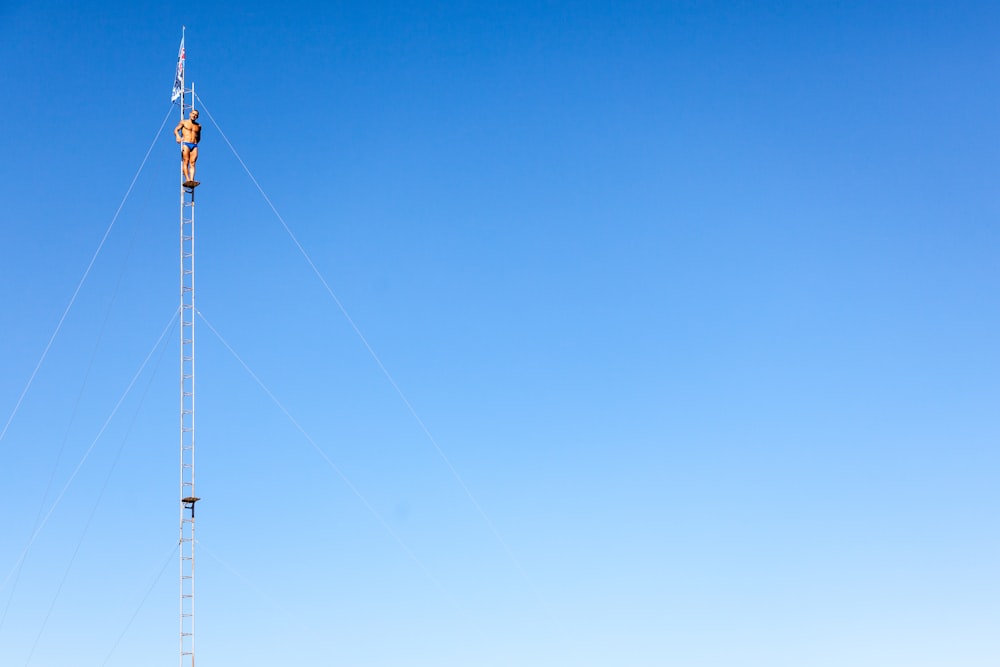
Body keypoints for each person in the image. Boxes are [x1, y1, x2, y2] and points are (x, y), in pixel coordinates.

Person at [174, 109, 202, 186]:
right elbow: (176, 130)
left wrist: (195, 141)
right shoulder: (184, 122)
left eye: (196, 115)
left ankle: (192, 179)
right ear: (190, 114)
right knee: (186, 161)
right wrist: (178, 137)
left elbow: (199, 137)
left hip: (194, 145)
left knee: (192, 162)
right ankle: (187, 179)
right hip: (186, 143)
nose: (194, 115)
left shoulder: (198, 126)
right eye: (193, 114)